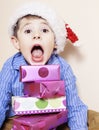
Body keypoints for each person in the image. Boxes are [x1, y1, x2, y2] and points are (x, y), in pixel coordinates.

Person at [0, 2, 88, 130]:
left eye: (44, 30)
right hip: (18, 122)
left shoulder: (62, 67)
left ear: (55, 42)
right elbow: (0, 103)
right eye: (28, 31)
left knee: (92, 118)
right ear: (16, 42)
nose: (37, 35)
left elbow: (75, 107)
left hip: (53, 121)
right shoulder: (11, 67)